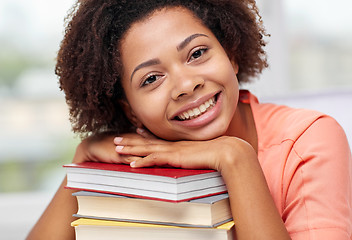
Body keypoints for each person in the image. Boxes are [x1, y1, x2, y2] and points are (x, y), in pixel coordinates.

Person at [27, 0, 352, 239]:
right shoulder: (131, 162)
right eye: (151, 79)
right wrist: (84, 166)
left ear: (232, 54)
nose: (186, 85)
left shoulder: (309, 140)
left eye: (197, 53)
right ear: (130, 110)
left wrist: (235, 157)